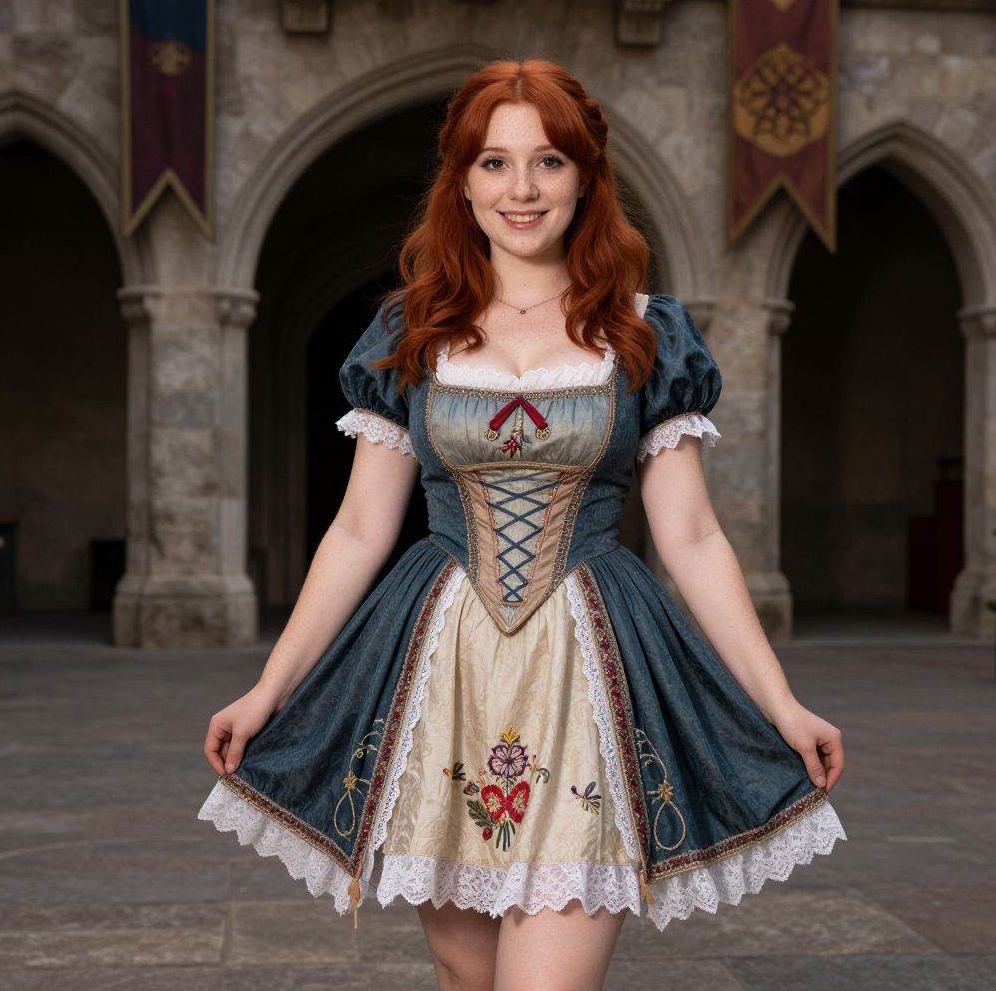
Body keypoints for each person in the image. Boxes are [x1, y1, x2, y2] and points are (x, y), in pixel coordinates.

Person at [199, 58, 846, 991]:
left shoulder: (645, 334)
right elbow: (356, 530)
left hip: (587, 672)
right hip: (439, 674)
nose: (522, 188)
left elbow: (692, 536)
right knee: (467, 981)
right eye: (495, 163)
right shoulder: (408, 334)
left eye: (548, 161)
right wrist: (268, 689)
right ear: (461, 181)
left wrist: (782, 703)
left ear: (586, 177)